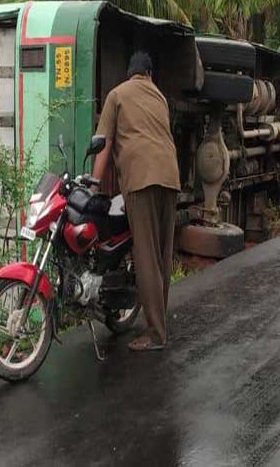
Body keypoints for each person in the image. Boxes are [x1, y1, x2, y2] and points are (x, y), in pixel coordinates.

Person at [93, 51, 180, 351]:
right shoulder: (160, 97)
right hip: (170, 177)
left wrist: (93, 185)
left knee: (144, 256)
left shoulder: (117, 94)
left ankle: (156, 334)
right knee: (161, 255)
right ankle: (160, 321)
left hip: (141, 178)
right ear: (149, 75)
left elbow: (104, 143)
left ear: (130, 73)